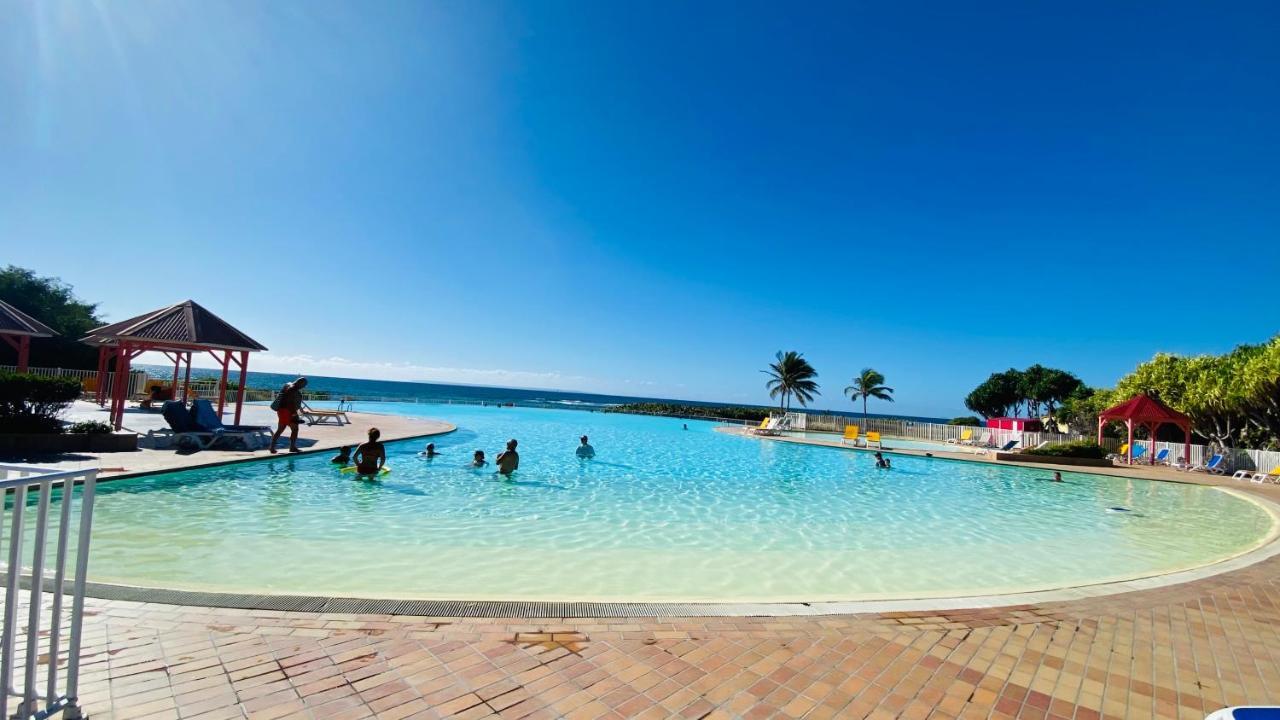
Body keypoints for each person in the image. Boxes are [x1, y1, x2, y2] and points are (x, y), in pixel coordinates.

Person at [269, 377, 308, 454]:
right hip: (287, 412)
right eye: (303, 385)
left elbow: (294, 401)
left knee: (282, 429)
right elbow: (289, 403)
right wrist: (294, 414)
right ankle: (291, 447)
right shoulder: (292, 389)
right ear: (300, 383)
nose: (303, 387)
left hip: (282, 411)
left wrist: (300, 411)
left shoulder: (288, 384)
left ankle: (273, 447)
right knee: (292, 429)